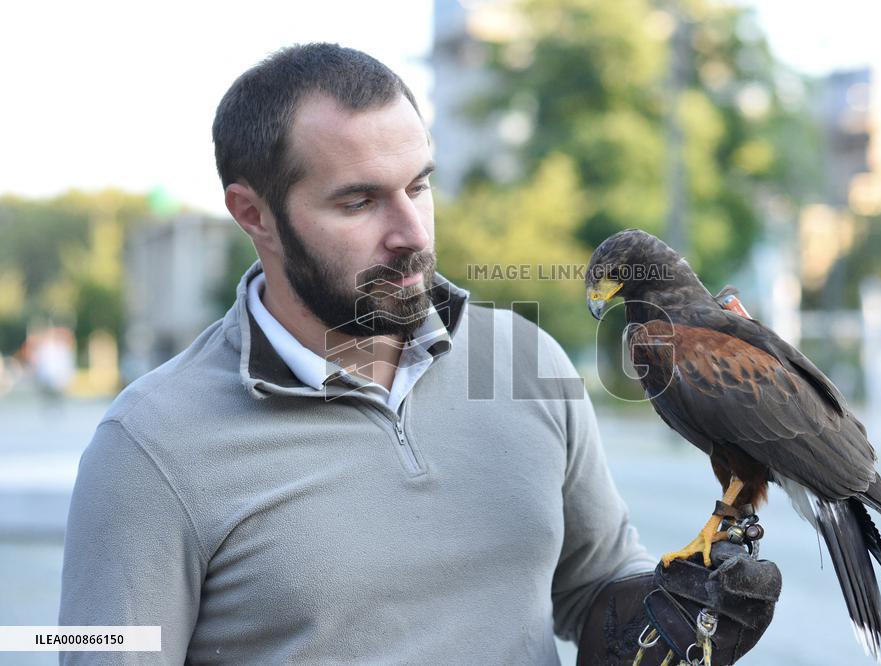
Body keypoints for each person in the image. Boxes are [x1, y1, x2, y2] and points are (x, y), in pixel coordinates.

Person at [59, 43, 778, 664]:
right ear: (254, 215)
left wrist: (671, 617)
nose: (411, 232)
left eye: (420, 185)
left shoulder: (527, 361)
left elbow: (592, 593)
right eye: (359, 201)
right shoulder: (150, 448)